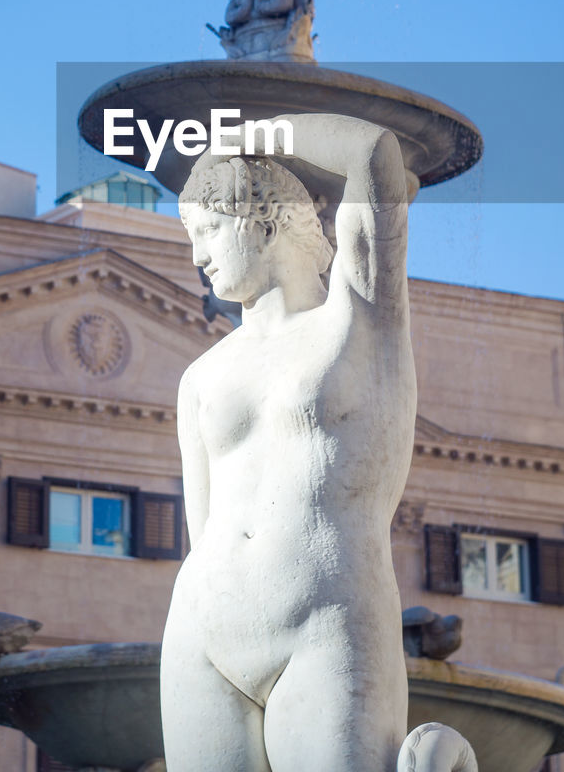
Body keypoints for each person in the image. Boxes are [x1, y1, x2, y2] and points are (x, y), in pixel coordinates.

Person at [160, 114, 416, 771]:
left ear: (262, 219)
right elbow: (203, 525)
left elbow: (374, 153)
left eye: (208, 229)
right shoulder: (200, 377)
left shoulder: (358, 319)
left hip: (326, 622)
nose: (197, 255)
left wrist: (246, 138)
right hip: (203, 632)